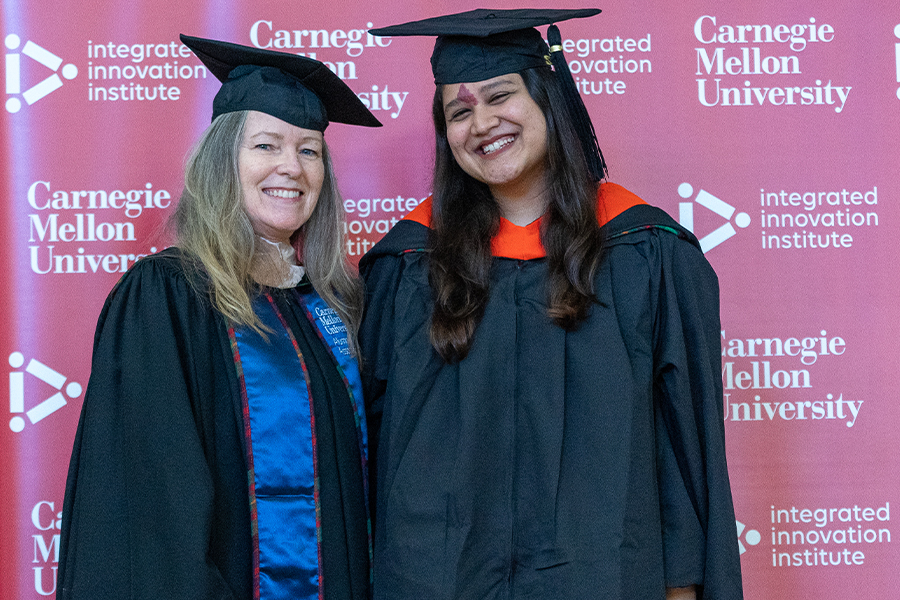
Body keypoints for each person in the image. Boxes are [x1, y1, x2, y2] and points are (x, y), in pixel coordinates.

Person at [359, 9, 743, 600]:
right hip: (439, 576)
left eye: (500, 96)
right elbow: (377, 444)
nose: (482, 122)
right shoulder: (409, 264)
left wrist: (681, 581)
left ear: (548, 98)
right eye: (459, 112)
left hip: (604, 572)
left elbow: (683, 441)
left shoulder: (646, 254)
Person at [56, 35, 380, 600]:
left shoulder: (329, 306)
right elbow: (150, 510)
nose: (291, 167)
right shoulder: (168, 299)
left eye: (309, 151)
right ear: (221, 160)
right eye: (266, 145)